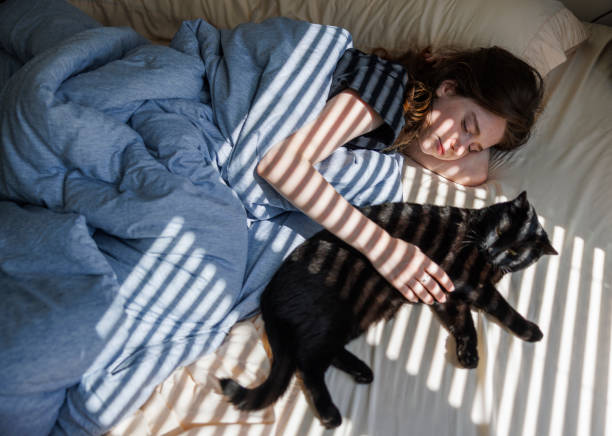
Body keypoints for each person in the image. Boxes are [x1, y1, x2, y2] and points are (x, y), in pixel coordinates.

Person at [257, 46, 544, 305]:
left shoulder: (406, 132)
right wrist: (383, 247)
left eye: (474, 147)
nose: (460, 148)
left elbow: (474, 172)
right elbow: (281, 164)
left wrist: (472, 135)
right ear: (448, 87)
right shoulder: (388, 87)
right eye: (467, 126)